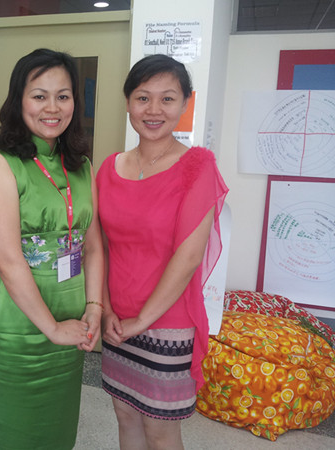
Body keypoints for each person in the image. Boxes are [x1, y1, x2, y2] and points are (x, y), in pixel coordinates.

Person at [96, 54, 228, 450]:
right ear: (128, 102)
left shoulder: (197, 167)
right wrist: (105, 310)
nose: (154, 110)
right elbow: (99, 247)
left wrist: (141, 320)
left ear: (185, 102)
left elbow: (188, 258)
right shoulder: (109, 168)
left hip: (167, 321)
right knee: (124, 415)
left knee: (160, 429)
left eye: (167, 99)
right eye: (143, 98)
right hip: (117, 318)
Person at [0, 48, 104, 450]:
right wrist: (51, 328)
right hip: (19, 331)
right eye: (39, 96)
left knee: (56, 435)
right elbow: (7, 261)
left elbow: (93, 246)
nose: (52, 107)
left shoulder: (81, 165)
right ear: (19, 101)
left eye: (63, 96)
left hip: (70, 324)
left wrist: (94, 307)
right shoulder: (1, 165)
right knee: (14, 437)